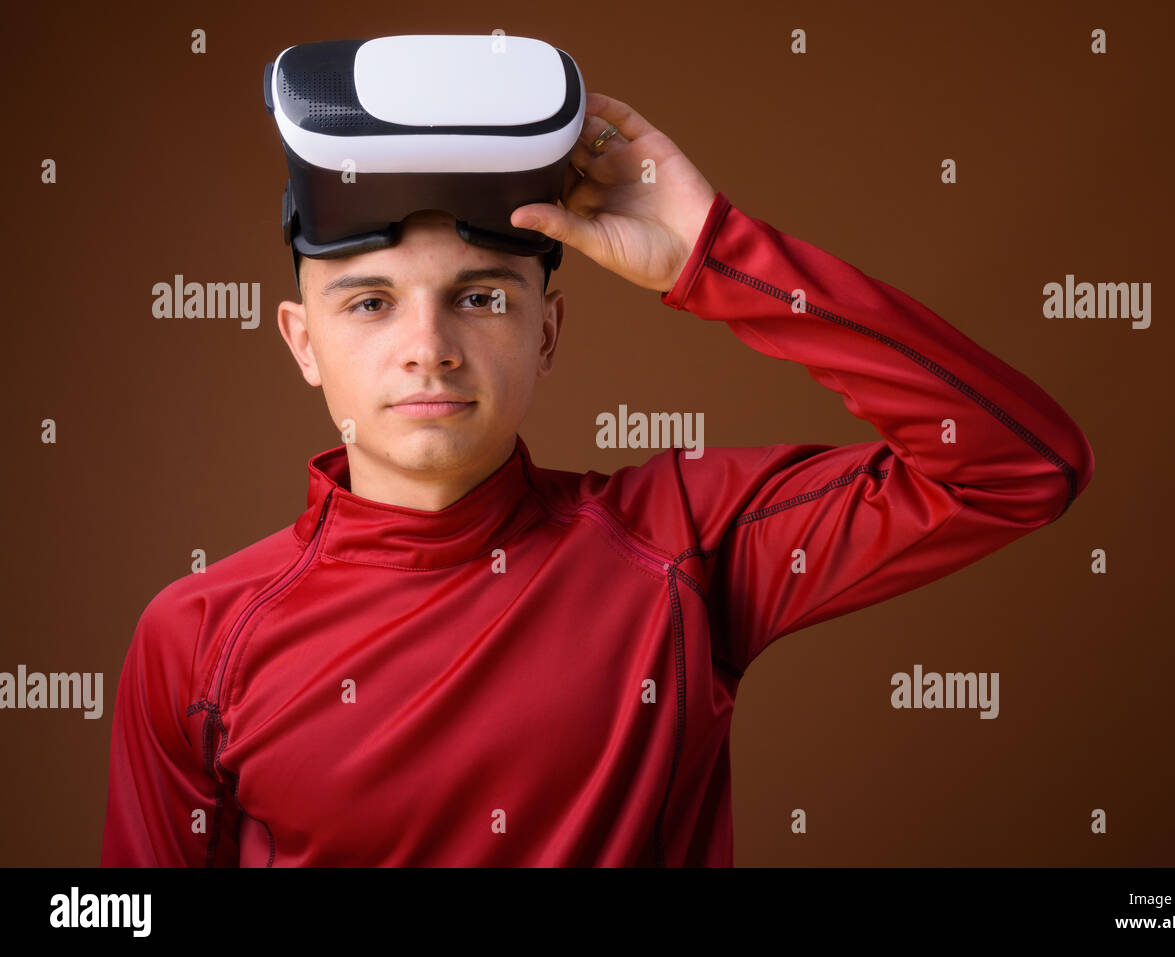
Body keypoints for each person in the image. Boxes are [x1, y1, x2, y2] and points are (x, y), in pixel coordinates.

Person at [101, 92, 1094, 866]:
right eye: (368, 304)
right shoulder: (195, 640)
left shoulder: (682, 544)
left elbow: (1017, 468)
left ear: (549, 333)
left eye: (479, 297)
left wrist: (715, 255)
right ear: (302, 343)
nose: (429, 350)